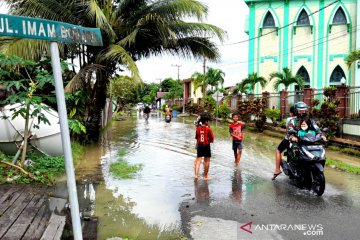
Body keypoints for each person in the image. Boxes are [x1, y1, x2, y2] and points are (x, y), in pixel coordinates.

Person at [272, 106, 295, 180]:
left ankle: (277, 169)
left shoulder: (289, 119)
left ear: (291, 113)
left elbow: (288, 130)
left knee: (278, 150)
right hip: (303, 139)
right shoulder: (305, 119)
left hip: (290, 139)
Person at [194, 113, 214, 180]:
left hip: (199, 145)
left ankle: (196, 175)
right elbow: (212, 138)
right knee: (207, 161)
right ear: (206, 121)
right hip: (206, 145)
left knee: (198, 160)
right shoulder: (209, 129)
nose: (209, 122)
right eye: (208, 121)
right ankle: (205, 176)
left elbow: (196, 137)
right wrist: (210, 141)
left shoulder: (198, 128)